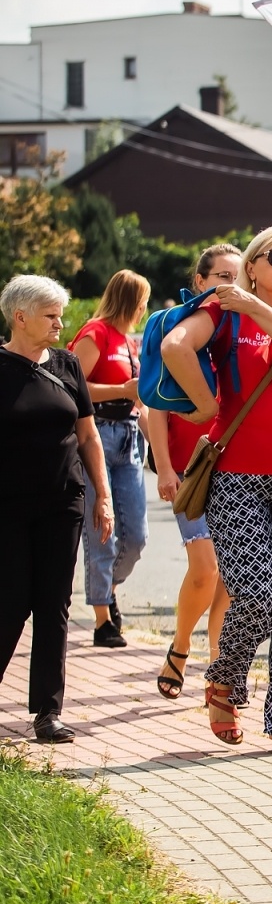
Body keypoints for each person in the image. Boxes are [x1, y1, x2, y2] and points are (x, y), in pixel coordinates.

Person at [160, 224, 272, 756]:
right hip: (236, 476)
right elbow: (173, 345)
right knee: (257, 595)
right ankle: (227, 676)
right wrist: (207, 405)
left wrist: (257, 308)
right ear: (254, 266)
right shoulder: (220, 315)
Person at [0, 274, 114, 743]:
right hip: (7, 504)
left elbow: (88, 436)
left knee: (54, 603)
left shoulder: (67, 364)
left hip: (63, 501)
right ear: (19, 316)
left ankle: (48, 711)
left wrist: (102, 497)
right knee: (10, 601)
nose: (59, 323)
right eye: (50, 315)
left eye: (60, 314)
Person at [148, 244, 239, 700]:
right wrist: (164, 468)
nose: (230, 285)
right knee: (205, 569)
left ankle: (217, 657)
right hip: (191, 471)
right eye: (221, 276)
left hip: (239, 468)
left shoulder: (242, 331)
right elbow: (156, 410)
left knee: (229, 576)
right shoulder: (181, 327)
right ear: (200, 282)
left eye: (238, 277)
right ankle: (180, 648)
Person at [69, 269, 150, 648]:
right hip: (98, 432)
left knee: (136, 536)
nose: (145, 308)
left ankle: (109, 589)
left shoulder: (126, 341)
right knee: (102, 529)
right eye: (143, 300)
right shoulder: (96, 332)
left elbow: (137, 395)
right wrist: (121, 388)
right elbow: (74, 385)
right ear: (130, 300)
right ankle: (102, 618)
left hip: (129, 435)